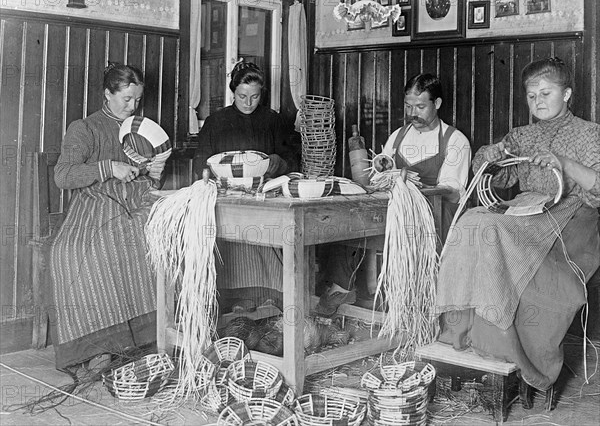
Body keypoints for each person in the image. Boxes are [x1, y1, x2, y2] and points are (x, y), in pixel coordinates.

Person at [436, 57, 600, 391]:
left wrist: (563, 162)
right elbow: (498, 178)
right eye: (531, 95)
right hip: (527, 213)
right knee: (471, 221)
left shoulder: (589, 133)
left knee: (493, 229)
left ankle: (514, 349)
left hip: (572, 224)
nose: (538, 101)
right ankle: (460, 333)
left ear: (567, 93)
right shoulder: (521, 136)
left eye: (546, 93)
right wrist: (492, 157)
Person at [315, 73, 471, 315]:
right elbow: (378, 176)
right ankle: (343, 287)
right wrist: (387, 178)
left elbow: (452, 192)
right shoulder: (398, 136)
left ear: (437, 104)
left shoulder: (455, 140)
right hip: (392, 206)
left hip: (434, 213)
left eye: (420, 107)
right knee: (344, 217)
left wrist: (409, 183)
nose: (413, 113)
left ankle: (408, 301)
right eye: (409, 106)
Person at [50, 63, 169, 370]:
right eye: (126, 100)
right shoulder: (84, 128)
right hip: (95, 204)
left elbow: (147, 181)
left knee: (161, 234)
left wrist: (154, 174)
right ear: (107, 94)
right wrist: (107, 168)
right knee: (80, 251)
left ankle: (153, 333)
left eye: (137, 100)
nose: (133, 106)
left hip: (134, 204)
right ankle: (98, 345)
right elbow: (63, 176)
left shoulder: (140, 130)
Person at [193, 60, 298, 312]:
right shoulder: (216, 121)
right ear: (233, 92)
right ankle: (238, 298)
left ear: (261, 92)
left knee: (269, 230)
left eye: (255, 96)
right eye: (242, 96)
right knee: (235, 238)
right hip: (227, 198)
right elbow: (201, 162)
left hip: (265, 196)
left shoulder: (273, 120)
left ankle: (272, 296)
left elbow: (293, 158)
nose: (249, 102)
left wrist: (279, 163)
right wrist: (213, 176)